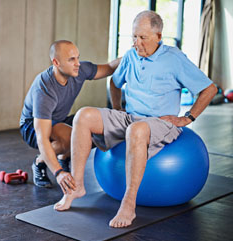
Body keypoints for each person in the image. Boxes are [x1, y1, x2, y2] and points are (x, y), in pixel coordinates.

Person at [53, 11, 217, 228]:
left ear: (159, 36)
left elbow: (209, 88)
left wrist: (188, 118)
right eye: (134, 37)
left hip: (160, 122)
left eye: (143, 38)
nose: (137, 43)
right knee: (83, 115)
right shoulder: (131, 56)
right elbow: (115, 82)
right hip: (131, 118)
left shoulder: (174, 58)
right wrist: (118, 108)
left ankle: (128, 204)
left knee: (136, 130)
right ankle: (77, 187)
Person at [20, 40, 120, 190]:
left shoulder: (79, 70)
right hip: (31, 127)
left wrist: (132, 55)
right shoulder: (44, 88)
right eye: (71, 59)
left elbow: (110, 67)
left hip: (59, 120)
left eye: (78, 57)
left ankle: (63, 156)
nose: (77, 63)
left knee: (93, 129)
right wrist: (59, 173)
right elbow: (42, 138)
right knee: (70, 138)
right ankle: (40, 162)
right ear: (56, 62)